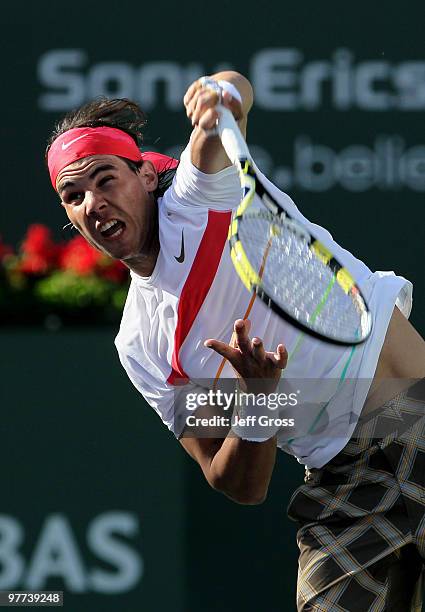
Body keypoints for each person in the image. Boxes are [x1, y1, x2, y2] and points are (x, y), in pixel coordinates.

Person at [46, 71, 425, 611]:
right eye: (74, 195)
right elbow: (237, 484)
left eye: (106, 180)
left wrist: (219, 95)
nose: (93, 203)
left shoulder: (200, 195)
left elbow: (229, 103)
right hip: (348, 484)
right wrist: (259, 400)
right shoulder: (142, 343)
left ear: (146, 177)